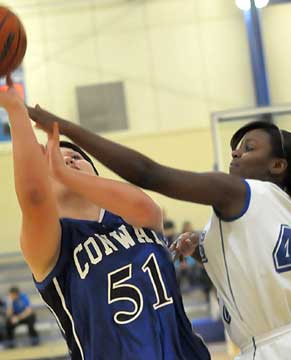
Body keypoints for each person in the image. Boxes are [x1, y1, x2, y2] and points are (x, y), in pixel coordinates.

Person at [28, 106, 291, 359]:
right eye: (236, 147)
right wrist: (200, 248)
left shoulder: (237, 192)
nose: (235, 153)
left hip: (275, 349)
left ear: (277, 166)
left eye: (248, 148)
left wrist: (64, 127)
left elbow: (148, 173)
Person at [2, 80, 210, 359]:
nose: (67, 160)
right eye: (56, 159)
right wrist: (15, 108)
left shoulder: (137, 217)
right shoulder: (51, 245)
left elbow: (146, 206)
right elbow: (34, 198)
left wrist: (63, 173)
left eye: (75, 156)